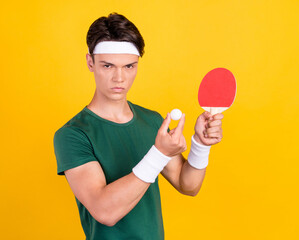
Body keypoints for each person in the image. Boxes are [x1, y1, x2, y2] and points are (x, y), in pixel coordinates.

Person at [53, 12, 224, 240]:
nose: (119, 78)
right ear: (90, 62)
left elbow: (188, 185)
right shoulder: (72, 135)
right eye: (108, 66)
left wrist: (200, 145)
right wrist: (160, 153)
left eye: (129, 66)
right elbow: (105, 211)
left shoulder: (152, 121)